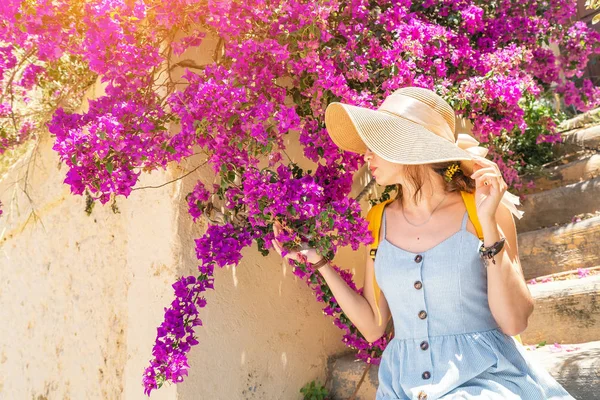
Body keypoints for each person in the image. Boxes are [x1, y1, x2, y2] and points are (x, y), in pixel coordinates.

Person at [271, 87, 577, 399]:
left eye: (376, 143)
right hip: (403, 386)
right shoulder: (377, 220)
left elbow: (514, 321)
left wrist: (488, 225)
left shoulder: (484, 208)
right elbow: (374, 325)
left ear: (407, 145)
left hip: (484, 379)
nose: (366, 154)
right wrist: (320, 264)